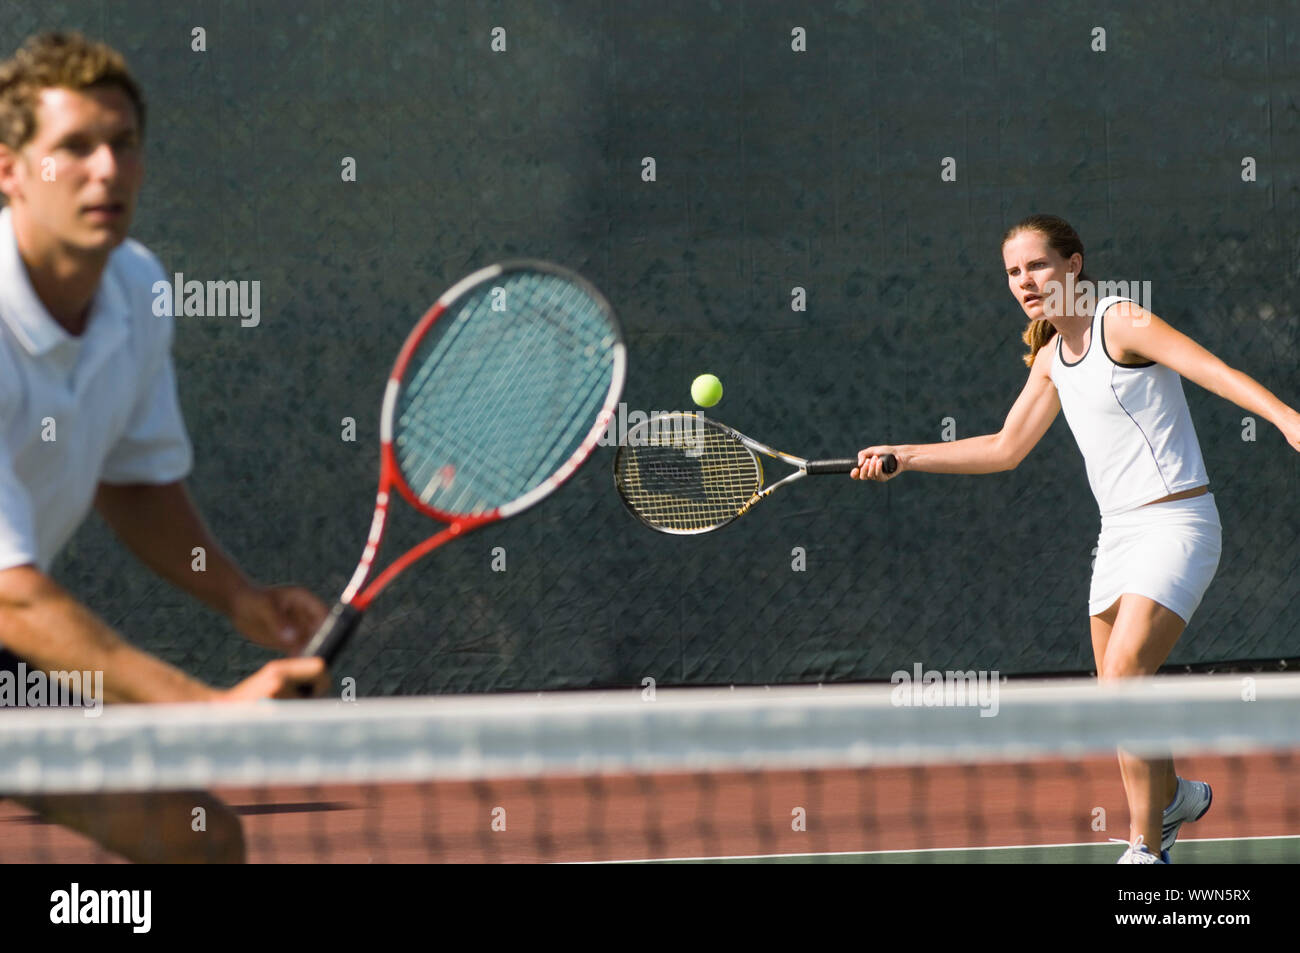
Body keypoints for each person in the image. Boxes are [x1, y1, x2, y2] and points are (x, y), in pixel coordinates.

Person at [852, 213, 1300, 863]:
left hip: (1179, 524)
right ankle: (1172, 796)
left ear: (1073, 265)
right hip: (1116, 533)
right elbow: (1006, 448)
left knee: (1123, 675)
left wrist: (1287, 417)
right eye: (1012, 271)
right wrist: (909, 453)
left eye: (1036, 265)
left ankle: (1146, 848)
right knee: (1118, 692)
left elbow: (1210, 370)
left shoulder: (1120, 321)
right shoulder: (1049, 357)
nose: (1025, 280)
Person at [0, 32, 330, 860]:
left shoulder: (135, 287)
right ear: (9, 170)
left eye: (122, 145)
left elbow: (136, 483)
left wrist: (234, 595)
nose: (105, 169)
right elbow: (13, 598)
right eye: (73, 147)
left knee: (195, 840)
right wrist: (203, 707)